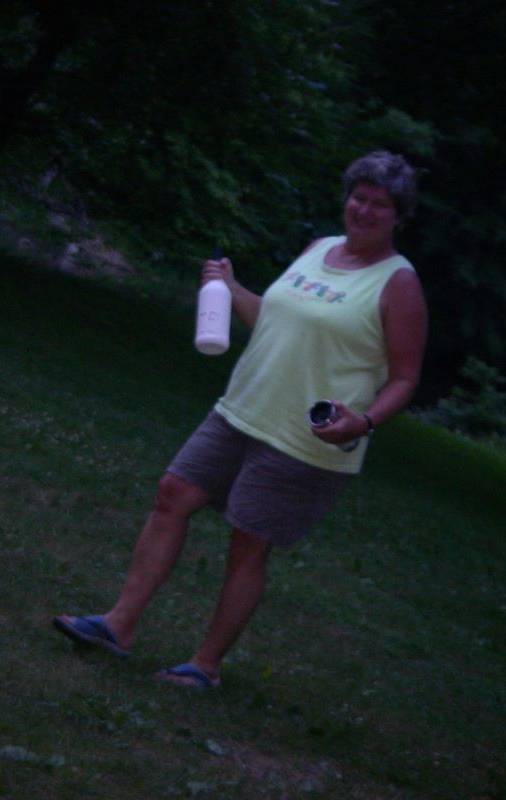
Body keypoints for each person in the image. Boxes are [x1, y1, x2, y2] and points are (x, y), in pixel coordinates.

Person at [53, 150, 428, 689]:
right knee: (172, 495)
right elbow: (273, 319)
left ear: (399, 215)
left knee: (247, 545)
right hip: (242, 408)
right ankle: (118, 624)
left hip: (306, 438)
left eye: (380, 204)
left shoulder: (398, 283)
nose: (364, 211)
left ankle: (204, 667)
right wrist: (232, 291)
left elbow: (405, 378)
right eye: (358, 197)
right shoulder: (318, 248)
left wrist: (364, 422)